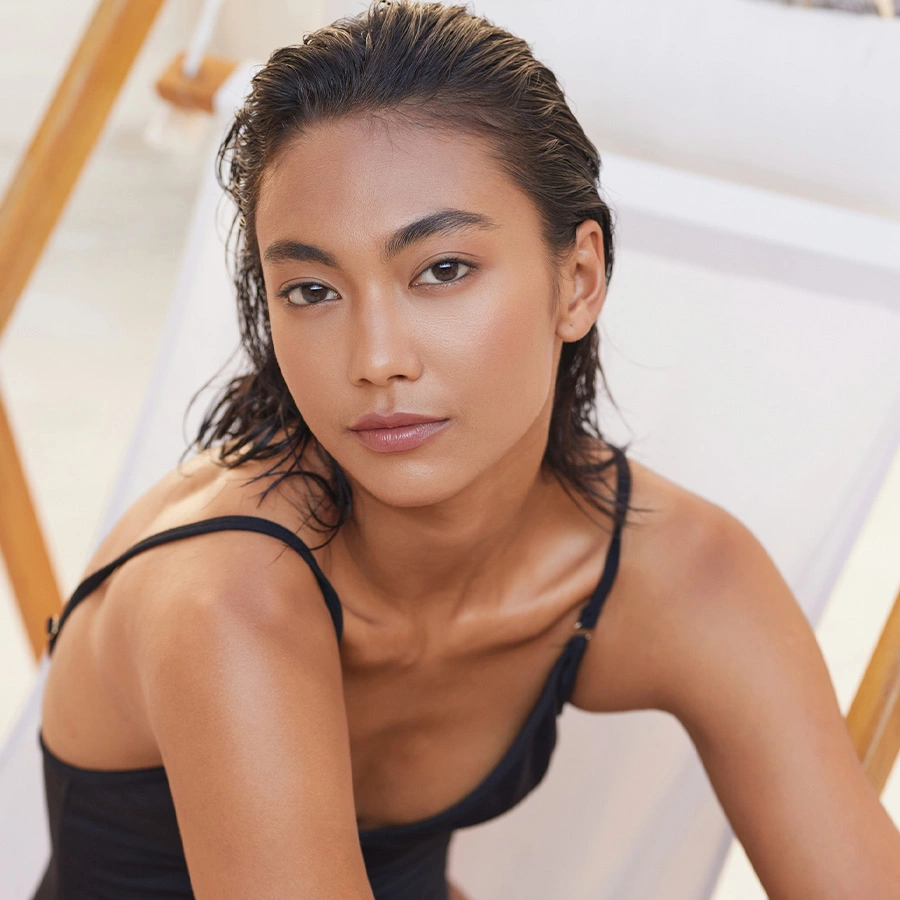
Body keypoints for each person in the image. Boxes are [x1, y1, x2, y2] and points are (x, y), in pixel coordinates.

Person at [33, 2, 900, 898]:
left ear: (579, 279)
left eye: (442, 270)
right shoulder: (228, 599)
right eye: (311, 289)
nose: (376, 361)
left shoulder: (681, 572)